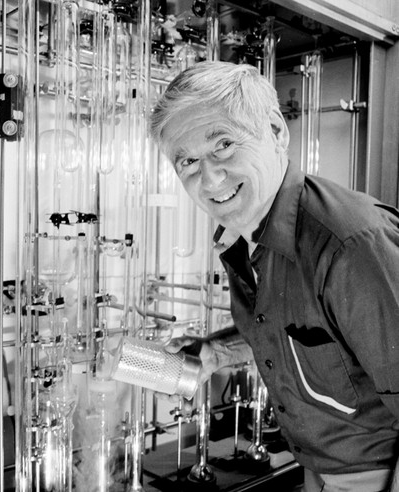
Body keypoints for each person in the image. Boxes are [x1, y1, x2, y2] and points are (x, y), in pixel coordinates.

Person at [149, 60, 399, 492]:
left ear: (277, 131)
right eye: (186, 160)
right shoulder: (243, 236)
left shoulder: (349, 245)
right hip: (317, 467)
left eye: (223, 144)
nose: (209, 178)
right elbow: (298, 329)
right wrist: (217, 352)